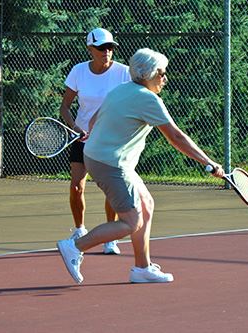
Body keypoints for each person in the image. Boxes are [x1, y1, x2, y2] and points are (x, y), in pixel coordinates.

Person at [57, 48, 224, 284]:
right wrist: (208, 162)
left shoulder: (121, 89)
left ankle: (142, 268)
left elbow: (94, 119)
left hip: (100, 156)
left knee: (146, 205)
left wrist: (97, 135)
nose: (165, 78)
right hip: (110, 163)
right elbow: (175, 137)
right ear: (148, 74)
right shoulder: (147, 98)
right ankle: (75, 246)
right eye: (161, 73)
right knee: (130, 221)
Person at [59, 28, 131, 255]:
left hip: (110, 140)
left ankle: (111, 239)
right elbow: (65, 107)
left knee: (111, 190)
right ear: (90, 49)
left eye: (110, 47)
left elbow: (132, 101)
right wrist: (75, 127)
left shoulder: (124, 73)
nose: (106, 52)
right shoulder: (78, 71)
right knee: (77, 186)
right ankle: (79, 230)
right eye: (101, 48)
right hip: (81, 138)